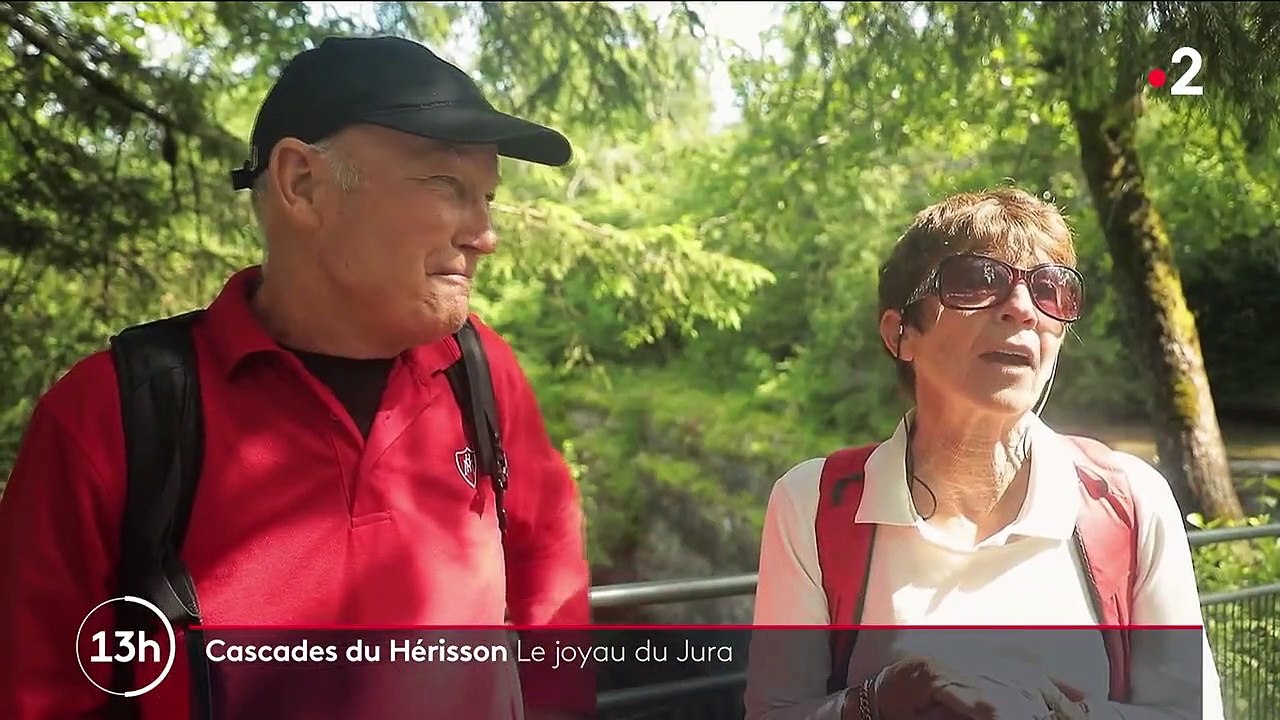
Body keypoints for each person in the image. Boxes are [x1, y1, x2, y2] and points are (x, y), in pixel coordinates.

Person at [0, 35, 591, 720]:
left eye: (488, 196)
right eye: (448, 185)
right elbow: (36, 690)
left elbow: (549, 567)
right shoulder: (113, 414)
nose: (484, 233)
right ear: (302, 183)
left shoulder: (481, 371)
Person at [744, 188, 1226, 720]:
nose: (1021, 308)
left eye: (1051, 289)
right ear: (901, 333)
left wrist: (1055, 716)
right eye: (977, 280)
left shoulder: (1130, 500)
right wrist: (875, 701)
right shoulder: (813, 504)